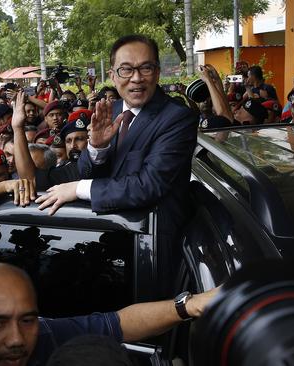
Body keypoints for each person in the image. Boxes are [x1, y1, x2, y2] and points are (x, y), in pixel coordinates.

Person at [35, 35, 198, 296]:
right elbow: (88, 169)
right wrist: (96, 147)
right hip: (108, 241)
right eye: (126, 69)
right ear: (112, 74)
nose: (136, 78)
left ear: (157, 72)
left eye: (145, 68)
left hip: (153, 248)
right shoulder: (113, 109)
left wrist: (77, 189)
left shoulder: (177, 118)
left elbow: (149, 185)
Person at [0, 263, 219, 366]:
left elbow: (120, 324)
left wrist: (190, 305)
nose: (17, 339)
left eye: (27, 320)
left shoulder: (46, 335)